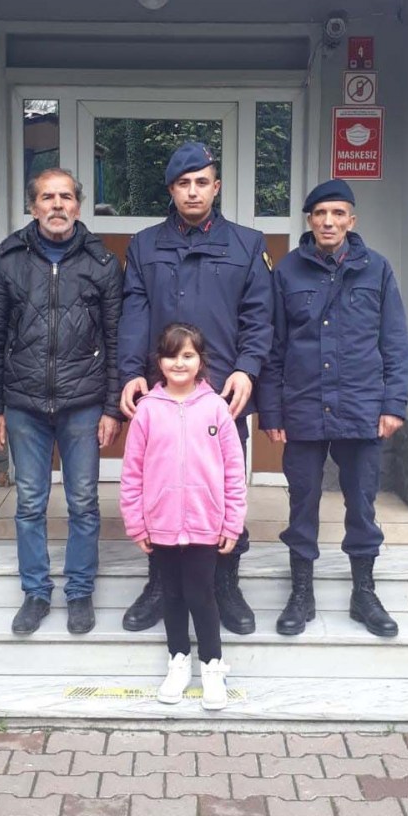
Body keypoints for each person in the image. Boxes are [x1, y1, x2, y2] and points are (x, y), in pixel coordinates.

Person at [118, 142, 274, 636]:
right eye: (183, 183)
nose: (192, 191)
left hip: (221, 394)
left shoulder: (247, 244)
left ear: (216, 187)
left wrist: (247, 369)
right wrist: (131, 371)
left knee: (221, 484)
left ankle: (225, 582)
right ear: (171, 189)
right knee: (159, 484)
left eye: (202, 182)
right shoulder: (144, 246)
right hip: (161, 396)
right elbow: (134, 314)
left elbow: (259, 318)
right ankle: (160, 582)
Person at [259, 178, 408, 639]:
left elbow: (395, 342)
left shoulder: (376, 269)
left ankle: (363, 593)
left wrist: (393, 404)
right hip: (304, 406)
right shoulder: (287, 271)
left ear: (351, 220)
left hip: (361, 406)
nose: (328, 222)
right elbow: (273, 346)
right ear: (309, 220)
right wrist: (272, 411)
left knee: (361, 503)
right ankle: (301, 593)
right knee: (302, 501)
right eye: (320, 214)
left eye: (338, 213)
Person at [0, 168, 123, 636]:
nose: (57, 205)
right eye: (47, 197)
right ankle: (36, 593)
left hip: (84, 401)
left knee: (83, 502)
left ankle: (79, 592)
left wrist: (112, 407)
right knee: (29, 502)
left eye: (65, 197)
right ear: (32, 206)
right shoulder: (8, 259)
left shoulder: (103, 263)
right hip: (23, 402)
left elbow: (117, 341)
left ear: (78, 205)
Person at [119, 323, 246, 711]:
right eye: (172, 355)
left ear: (200, 360)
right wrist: (136, 521)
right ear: (159, 361)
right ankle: (178, 661)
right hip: (161, 524)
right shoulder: (147, 411)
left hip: (206, 524)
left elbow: (233, 471)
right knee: (171, 595)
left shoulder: (216, 409)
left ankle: (212, 666)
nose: (179, 363)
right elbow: (132, 473)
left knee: (202, 595)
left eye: (188, 355)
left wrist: (232, 522)